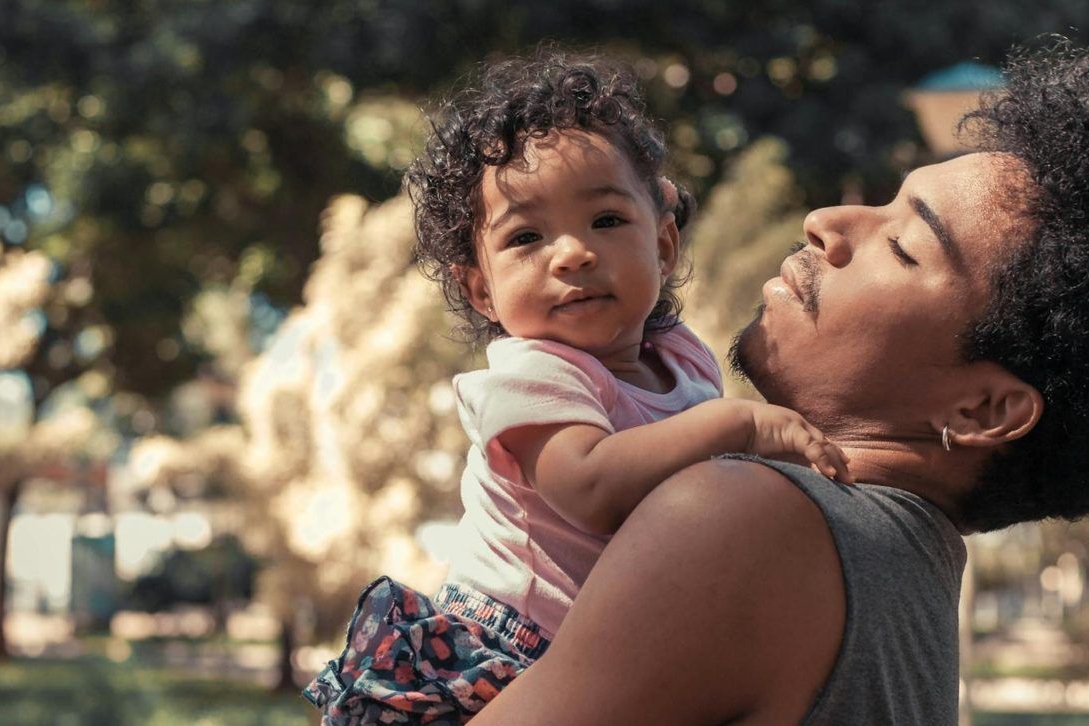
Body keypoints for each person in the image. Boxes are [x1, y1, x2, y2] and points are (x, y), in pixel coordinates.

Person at [468, 42, 1089, 724]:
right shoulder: (899, 574)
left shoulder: (745, 520)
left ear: (983, 408)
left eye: (905, 246)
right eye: (885, 204)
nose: (829, 223)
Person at [303, 52, 851, 724]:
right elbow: (591, 489)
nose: (573, 254)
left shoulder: (682, 357)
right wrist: (742, 425)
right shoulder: (531, 374)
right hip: (504, 655)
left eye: (607, 221)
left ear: (664, 246)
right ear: (481, 289)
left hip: (609, 652)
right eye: (527, 236)